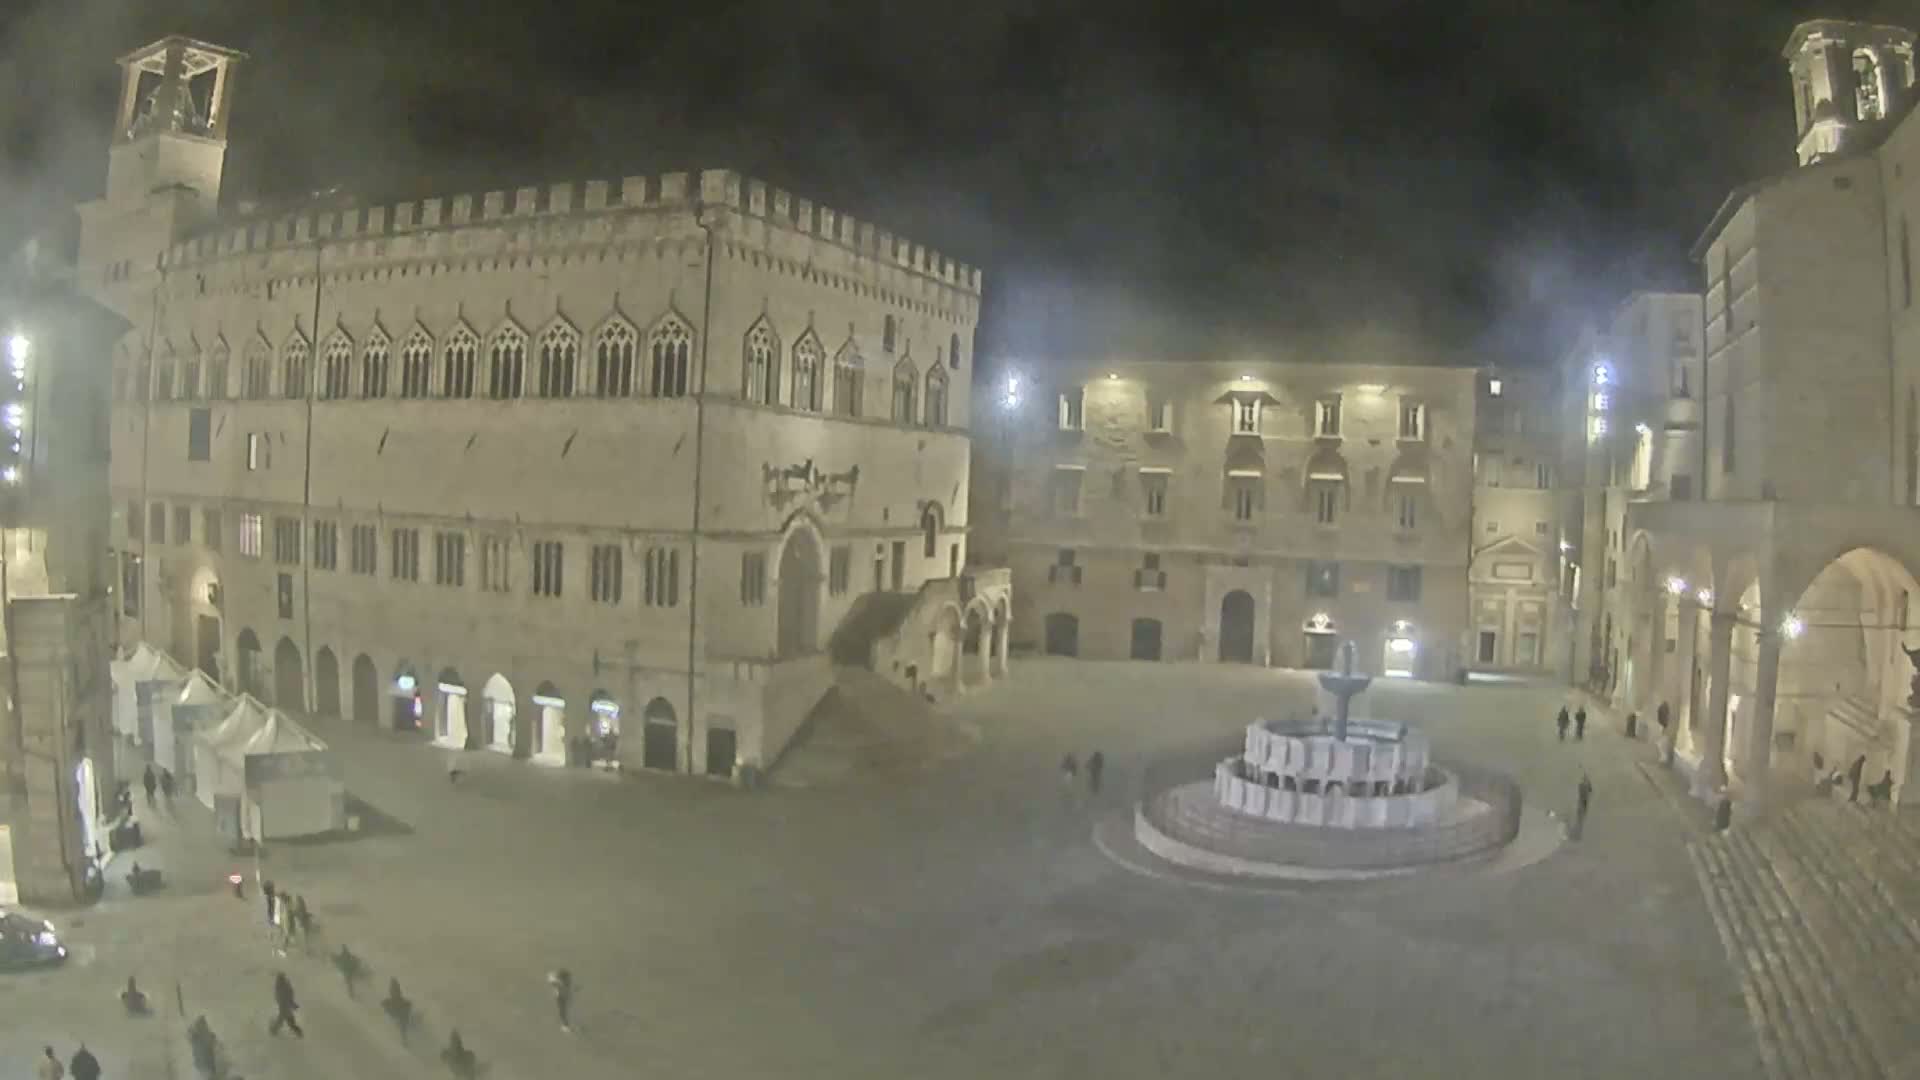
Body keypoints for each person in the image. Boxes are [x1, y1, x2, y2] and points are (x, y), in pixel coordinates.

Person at [269, 970, 304, 1037]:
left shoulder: (283, 985)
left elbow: (287, 996)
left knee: (284, 1021)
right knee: (287, 1021)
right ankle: (299, 1034)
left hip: (285, 1007)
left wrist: (292, 1004)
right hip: (285, 1007)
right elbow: (285, 996)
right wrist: (292, 1004)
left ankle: (273, 1032)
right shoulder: (282, 985)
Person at [382, 977, 414, 1043]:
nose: (394, 993)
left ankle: (405, 1041)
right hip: (393, 1027)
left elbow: (407, 1016)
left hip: (405, 1026)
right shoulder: (386, 1003)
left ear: (399, 992)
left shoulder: (405, 1003)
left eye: (396, 991)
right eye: (392, 991)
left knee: (403, 1021)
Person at [550, 968, 575, 1032]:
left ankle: (567, 1024)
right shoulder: (556, 982)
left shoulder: (564, 982)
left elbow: (568, 987)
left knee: (566, 1010)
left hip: (565, 995)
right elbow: (556, 985)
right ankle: (565, 1025)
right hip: (560, 997)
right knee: (562, 1011)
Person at [1573, 772, 1594, 840]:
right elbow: (1590, 790)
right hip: (1583, 803)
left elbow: (1590, 790)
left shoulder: (1581, 785)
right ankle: (1578, 835)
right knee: (1581, 819)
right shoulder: (1583, 785)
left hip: (1581, 803)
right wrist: (1589, 782)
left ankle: (1578, 834)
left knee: (1580, 819)